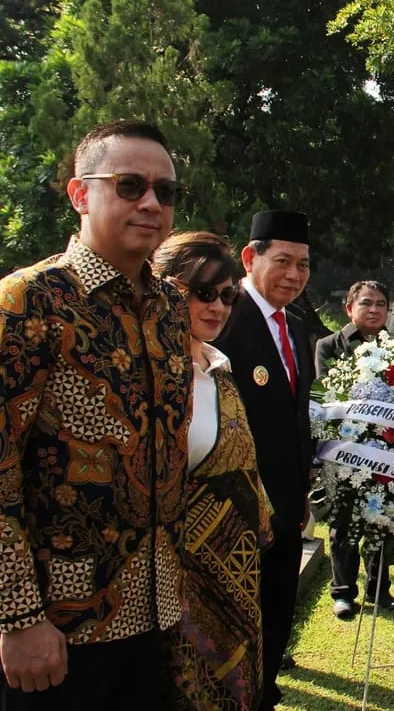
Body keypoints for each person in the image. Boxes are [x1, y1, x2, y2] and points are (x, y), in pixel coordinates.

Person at [0, 120, 190, 708]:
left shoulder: (172, 306)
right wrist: (18, 616)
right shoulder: (26, 301)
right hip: (58, 629)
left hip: (157, 616)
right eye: (130, 185)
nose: (151, 203)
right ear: (81, 195)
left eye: (166, 191)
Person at [154, 232, 273, 710]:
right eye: (202, 292)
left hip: (237, 574)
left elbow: (242, 461)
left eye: (227, 296)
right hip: (175, 578)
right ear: (164, 287)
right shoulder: (152, 372)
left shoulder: (218, 367)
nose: (218, 307)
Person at [213, 210, 315, 711]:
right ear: (250, 257)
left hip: (286, 506)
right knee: (236, 626)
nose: (294, 275)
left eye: (303, 265)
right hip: (232, 512)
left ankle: (264, 694)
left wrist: (300, 493)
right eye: (282, 262)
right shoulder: (223, 319)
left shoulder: (296, 328)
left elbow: (295, 419)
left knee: (276, 615)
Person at [315, 281, 394, 617]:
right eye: (366, 303)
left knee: (382, 519)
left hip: (388, 450)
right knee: (344, 523)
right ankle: (343, 592)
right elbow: (327, 395)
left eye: (381, 304)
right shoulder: (329, 346)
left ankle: (379, 589)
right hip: (344, 450)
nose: (374, 310)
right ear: (349, 308)